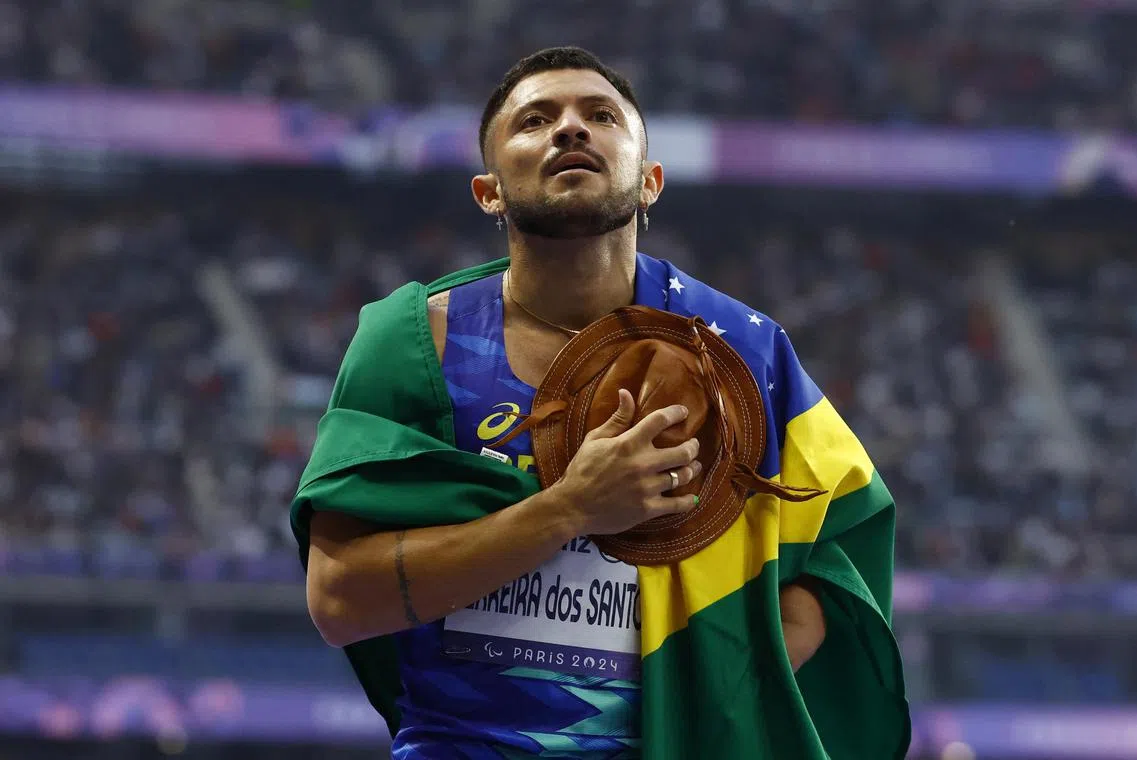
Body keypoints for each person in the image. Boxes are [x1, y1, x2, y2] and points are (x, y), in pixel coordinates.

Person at [294, 47, 909, 759]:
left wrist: (708, 697)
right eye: (536, 120)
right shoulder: (410, 344)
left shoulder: (745, 356)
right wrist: (569, 509)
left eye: (600, 116)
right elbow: (338, 601)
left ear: (650, 182)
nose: (570, 130)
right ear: (488, 191)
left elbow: (842, 555)